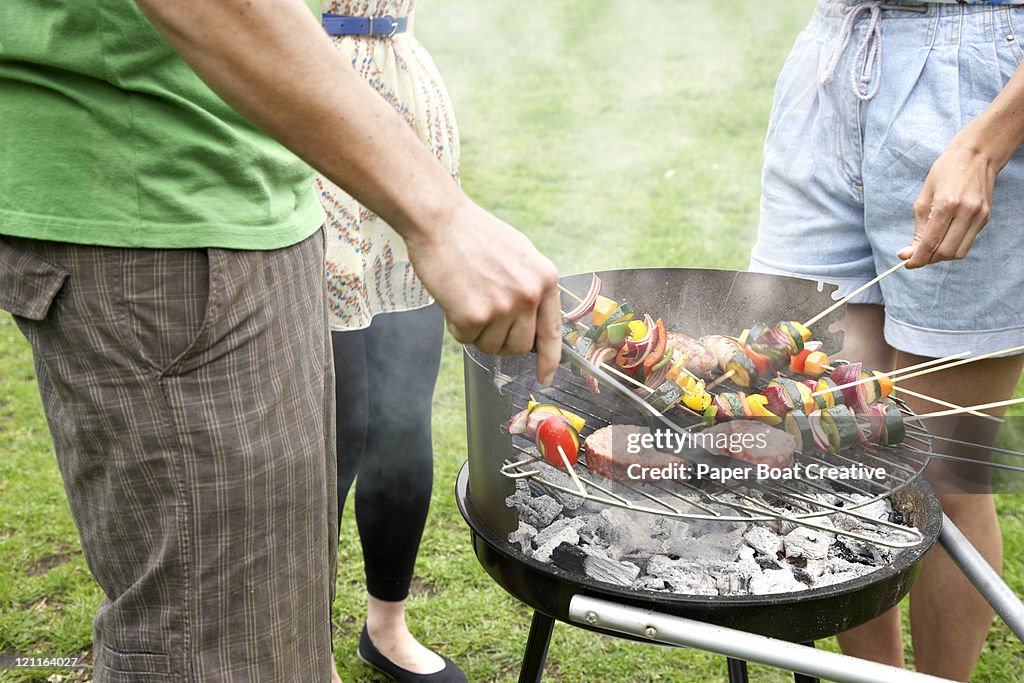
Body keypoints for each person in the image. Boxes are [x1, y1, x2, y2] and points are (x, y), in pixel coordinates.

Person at [0, 1, 561, 681]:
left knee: (268, 629)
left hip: (248, 193)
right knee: (214, 648)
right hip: (169, 213)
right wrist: (439, 215)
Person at [750, 1, 1024, 679]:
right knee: (834, 446)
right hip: (834, 57)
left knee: (944, 474)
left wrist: (987, 142)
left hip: (984, 80)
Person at [313, 4, 466, 681]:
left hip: (408, 99)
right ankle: (301, 643)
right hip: (308, 96)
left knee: (405, 408)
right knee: (333, 424)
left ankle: (387, 625)